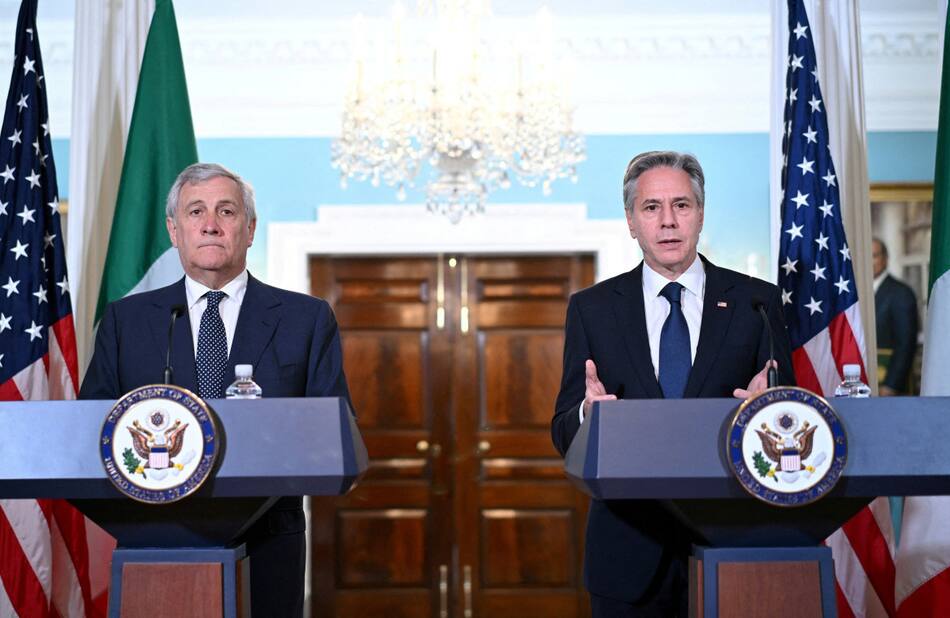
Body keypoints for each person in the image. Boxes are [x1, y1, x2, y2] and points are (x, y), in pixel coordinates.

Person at [80, 162, 352, 617]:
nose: (210, 224)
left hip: (270, 540)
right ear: (174, 230)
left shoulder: (306, 319)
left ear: (249, 229)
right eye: (195, 212)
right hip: (155, 541)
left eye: (226, 211)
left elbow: (334, 431)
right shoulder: (128, 321)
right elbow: (88, 429)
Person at [551, 151, 794, 617]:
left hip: (735, 546)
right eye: (651, 208)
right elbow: (562, 432)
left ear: (700, 215)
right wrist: (588, 417)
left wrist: (773, 406)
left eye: (681, 205)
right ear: (631, 221)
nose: (667, 221)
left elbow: (794, 423)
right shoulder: (593, 309)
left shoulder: (756, 303)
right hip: (627, 555)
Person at [872, 237, 919, 395]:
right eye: (867, 256)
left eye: (875, 256)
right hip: (865, 381)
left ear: (885, 259)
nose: (870, 261)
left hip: (888, 383)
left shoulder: (901, 293)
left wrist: (891, 384)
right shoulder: (856, 293)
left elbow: (905, 344)